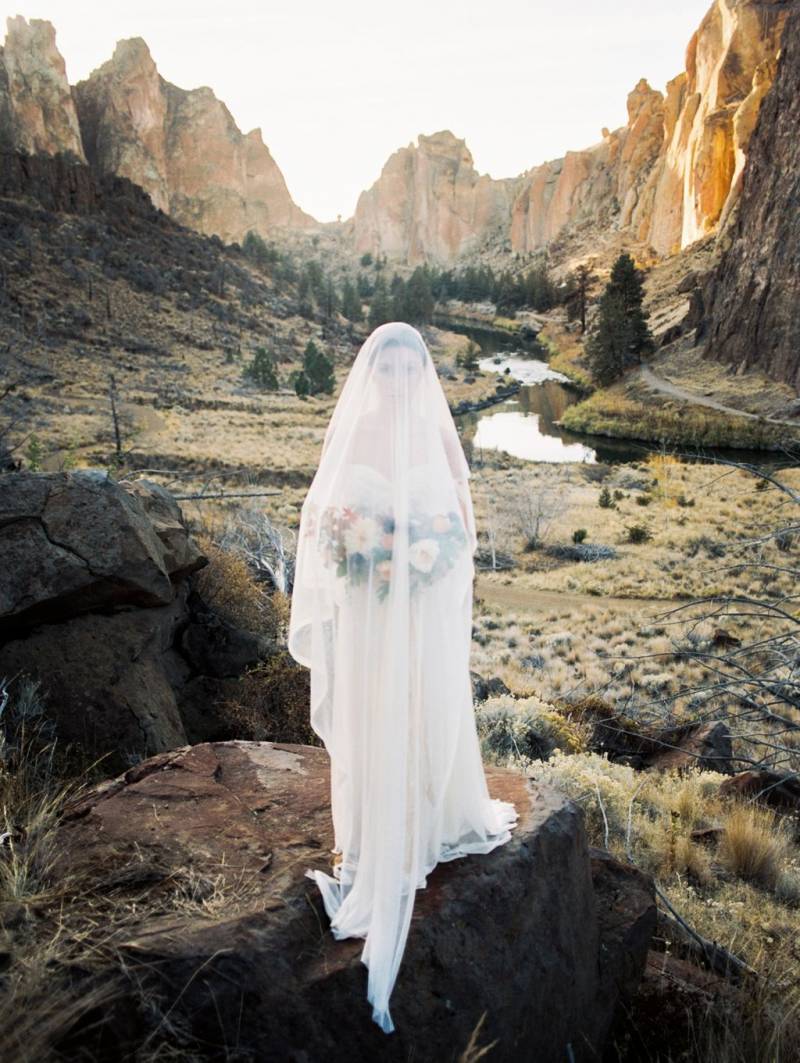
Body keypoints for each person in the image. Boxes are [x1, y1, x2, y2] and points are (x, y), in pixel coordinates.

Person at [287, 321, 518, 1034]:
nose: (393, 378)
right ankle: (367, 833)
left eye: (404, 367)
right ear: (372, 372)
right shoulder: (354, 430)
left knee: (417, 704)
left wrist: (426, 556)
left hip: (415, 611)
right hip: (367, 609)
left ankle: (428, 808)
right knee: (369, 710)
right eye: (383, 366)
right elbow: (325, 514)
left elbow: (457, 520)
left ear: (419, 375)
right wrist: (364, 555)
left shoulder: (436, 434)